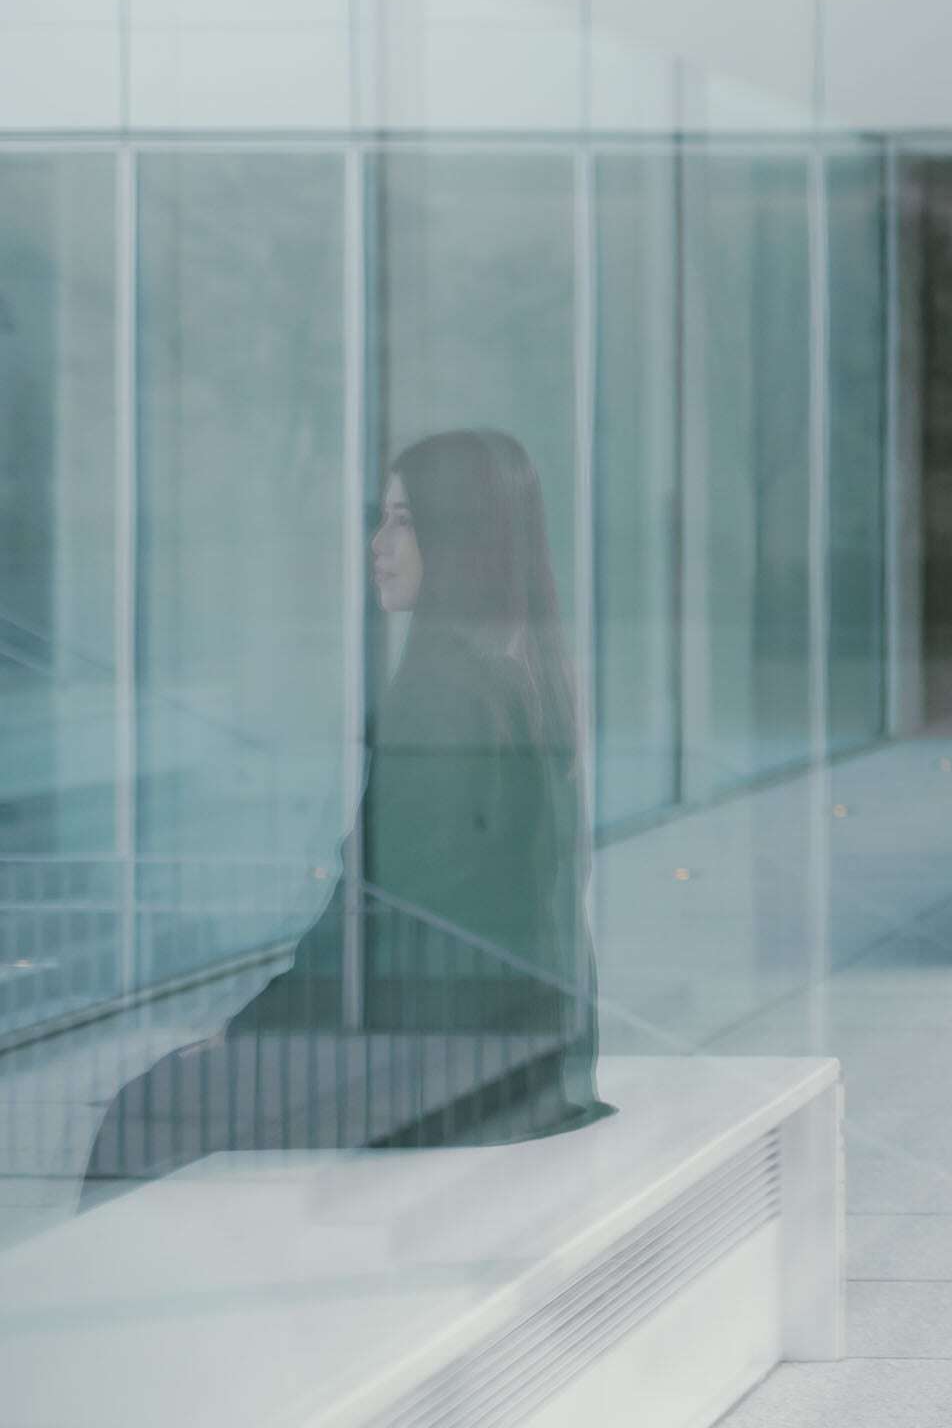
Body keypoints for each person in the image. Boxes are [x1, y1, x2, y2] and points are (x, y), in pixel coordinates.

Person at [88, 428, 606, 1188]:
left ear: (457, 536)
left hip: (456, 1067)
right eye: (383, 518)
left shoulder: (446, 694)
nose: (379, 544)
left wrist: (245, 1035)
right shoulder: (526, 671)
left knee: (144, 1113)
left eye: (404, 520)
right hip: (538, 1053)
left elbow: (375, 919)